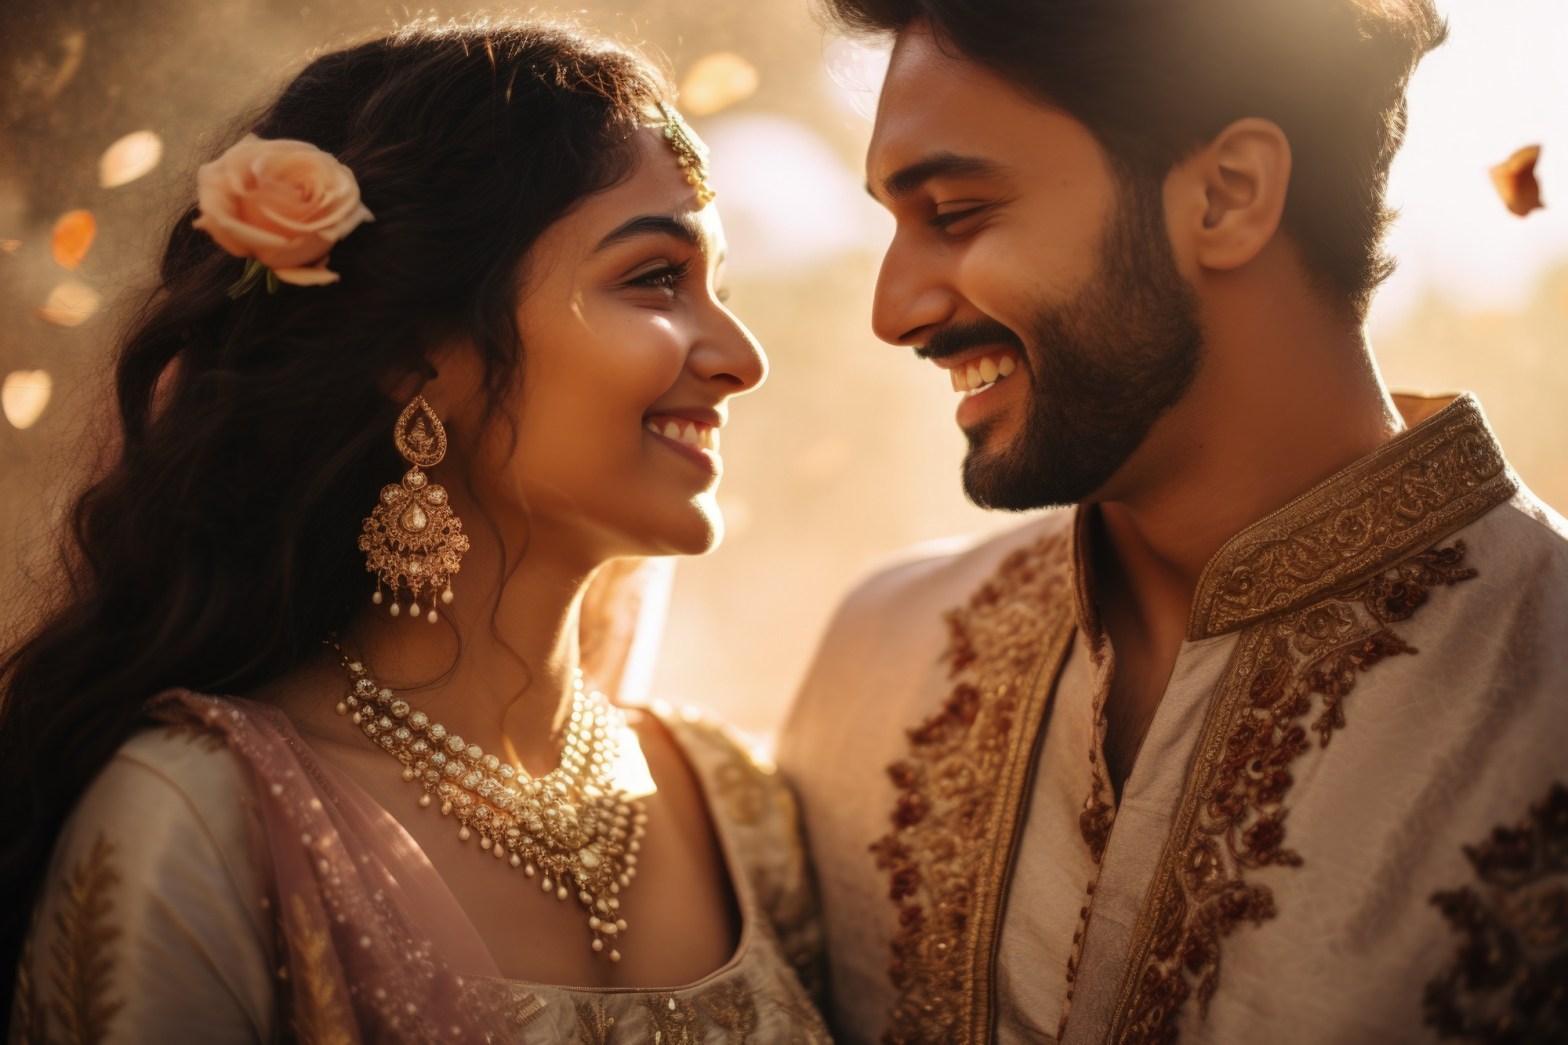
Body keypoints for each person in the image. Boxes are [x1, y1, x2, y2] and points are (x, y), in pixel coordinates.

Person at [1, 18, 829, 1042]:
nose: (743, 358)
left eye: (721, 289)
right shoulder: (205, 822)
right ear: (415, 355)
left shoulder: (737, 808)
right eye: (656, 277)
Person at [780, 1, 1568, 1041]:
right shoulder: (877, 662)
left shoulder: (1545, 694)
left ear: (1227, 194)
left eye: (958, 212)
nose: (894, 312)